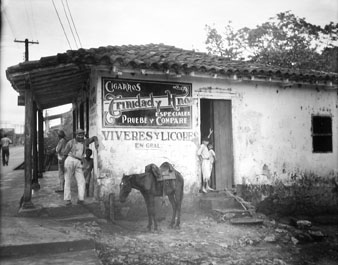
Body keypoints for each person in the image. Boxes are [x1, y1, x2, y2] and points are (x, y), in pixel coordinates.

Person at [63, 129, 99, 205]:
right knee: (67, 180)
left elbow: (94, 137)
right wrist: (64, 166)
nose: (80, 136)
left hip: (79, 162)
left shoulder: (85, 142)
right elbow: (65, 153)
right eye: (79, 135)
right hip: (70, 160)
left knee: (82, 181)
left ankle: (81, 199)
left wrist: (96, 142)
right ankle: (67, 199)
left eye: (82, 135)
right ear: (75, 135)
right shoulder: (71, 142)